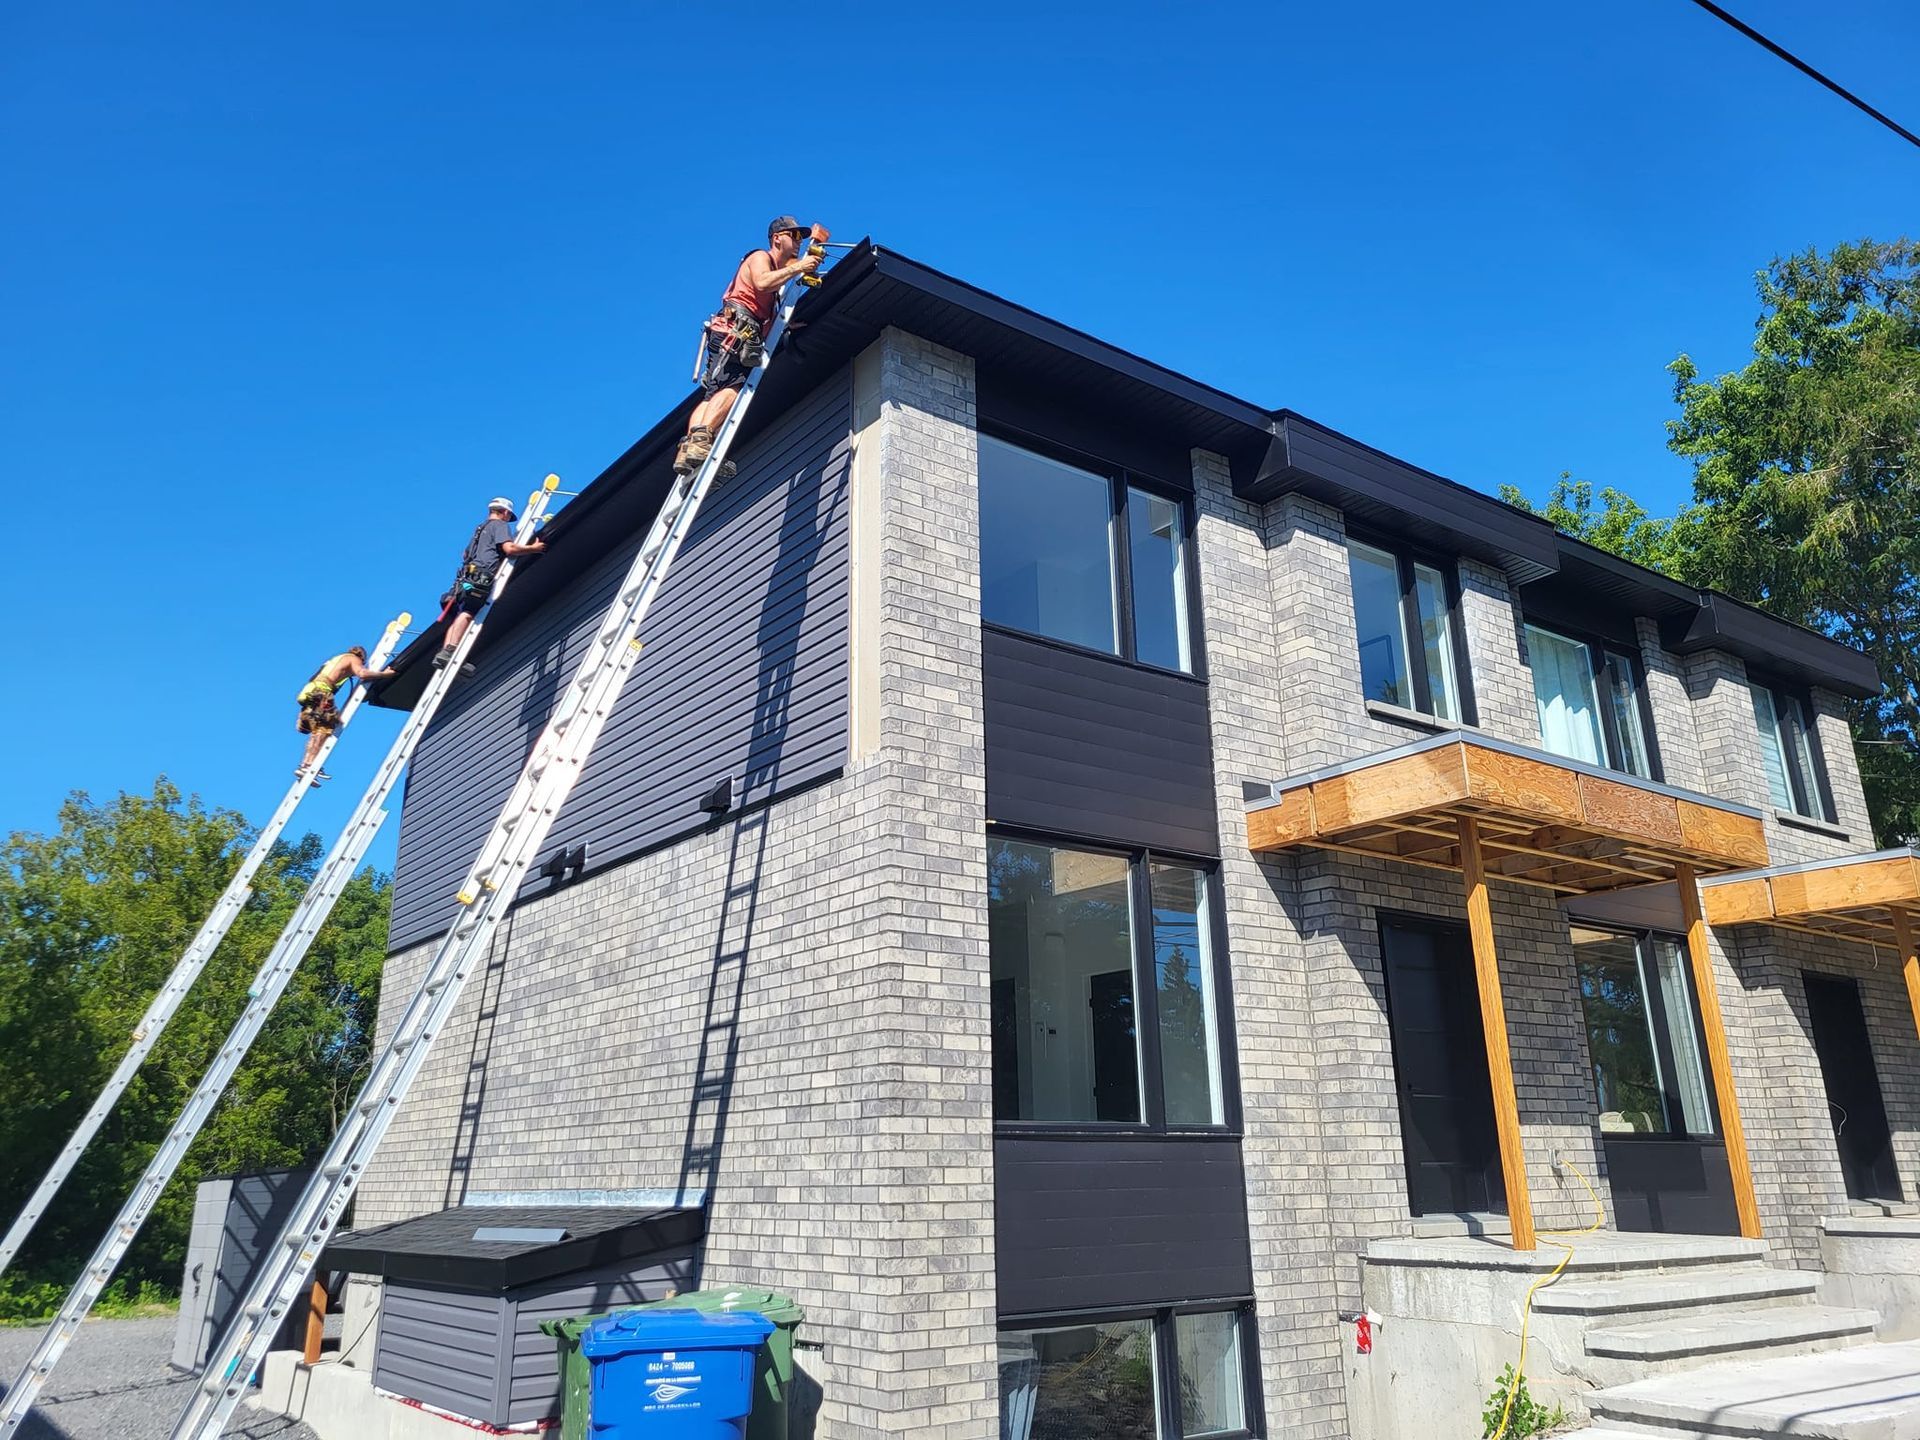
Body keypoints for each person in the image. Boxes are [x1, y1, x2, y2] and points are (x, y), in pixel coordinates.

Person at [673, 216, 822, 476]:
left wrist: (783, 324)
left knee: (712, 395)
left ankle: (690, 449)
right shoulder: (759, 257)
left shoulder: (775, 272)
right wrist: (799, 268)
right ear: (777, 238)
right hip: (736, 332)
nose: (798, 242)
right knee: (735, 386)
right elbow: (763, 282)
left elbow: (763, 298)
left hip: (729, 332)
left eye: (801, 237)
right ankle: (701, 441)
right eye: (794, 236)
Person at [433, 496, 547, 668]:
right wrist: (533, 549)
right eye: (509, 516)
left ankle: (445, 653)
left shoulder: (480, 528)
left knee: (462, 612)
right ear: (506, 512)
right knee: (469, 611)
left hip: (464, 578)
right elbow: (510, 549)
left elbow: (465, 555)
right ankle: (450, 651)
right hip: (480, 575)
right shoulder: (499, 525)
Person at [295, 645, 395, 784]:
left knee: (317, 729)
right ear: (362, 657)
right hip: (321, 691)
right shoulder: (354, 659)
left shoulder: (337, 659)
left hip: (310, 691)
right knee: (324, 729)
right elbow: (362, 674)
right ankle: (309, 765)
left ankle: (306, 764)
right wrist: (385, 674)